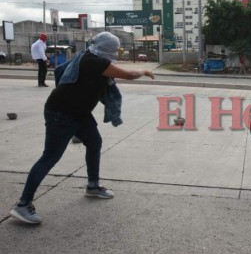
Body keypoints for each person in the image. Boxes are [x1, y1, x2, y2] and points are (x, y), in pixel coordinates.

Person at [9, 32, 155, 225]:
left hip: (78, 113)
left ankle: (93, 186)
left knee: (95, 142)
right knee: (50, 156)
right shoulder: (95, 62)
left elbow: (61, 71)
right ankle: (23, 205)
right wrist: (143, 71)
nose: (116, 54)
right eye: (114, 49)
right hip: (61, 113)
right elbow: (128, 75)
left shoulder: (88, 56)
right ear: (107, 49)